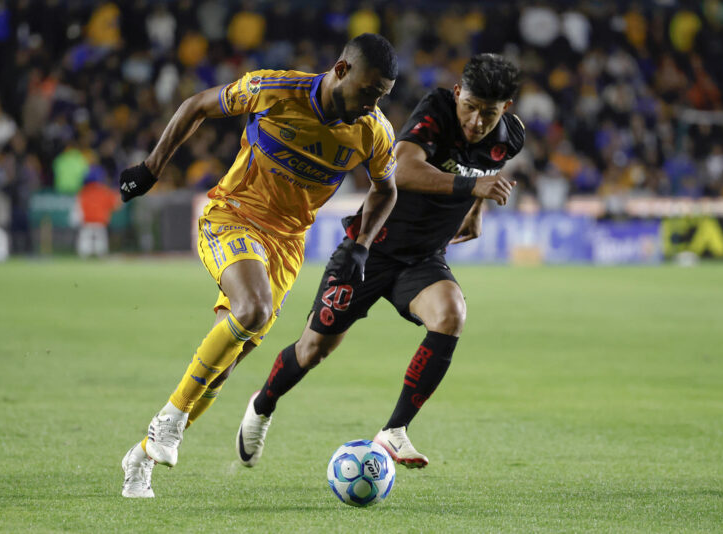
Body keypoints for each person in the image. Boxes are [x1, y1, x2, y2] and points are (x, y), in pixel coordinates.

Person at [119, 33, 399, 498]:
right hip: (233, 215)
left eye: (382, 96)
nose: (372, 104)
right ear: (342, 70)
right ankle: (167, 422)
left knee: (224, 366)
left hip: (286, 245)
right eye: (369, 91)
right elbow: (197, 106)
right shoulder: (275, 90)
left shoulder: (373, 132)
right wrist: (151, 168)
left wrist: (362, 244)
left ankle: (142, 456)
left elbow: (386, 189)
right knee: (252, 309)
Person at [231, 53, 524, 469]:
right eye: (471, 107)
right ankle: (262, 404)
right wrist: (473, 188)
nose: (476, 121)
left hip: (422, 258)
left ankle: (394, 431)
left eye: (489, 114)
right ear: (458, 93)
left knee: (451, 313)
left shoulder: (509, 138)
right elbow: (402, 170)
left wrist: (475, 209)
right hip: (370, 248)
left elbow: (489, 166)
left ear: (506, 110)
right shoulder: (437, 111)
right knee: (314, 349)